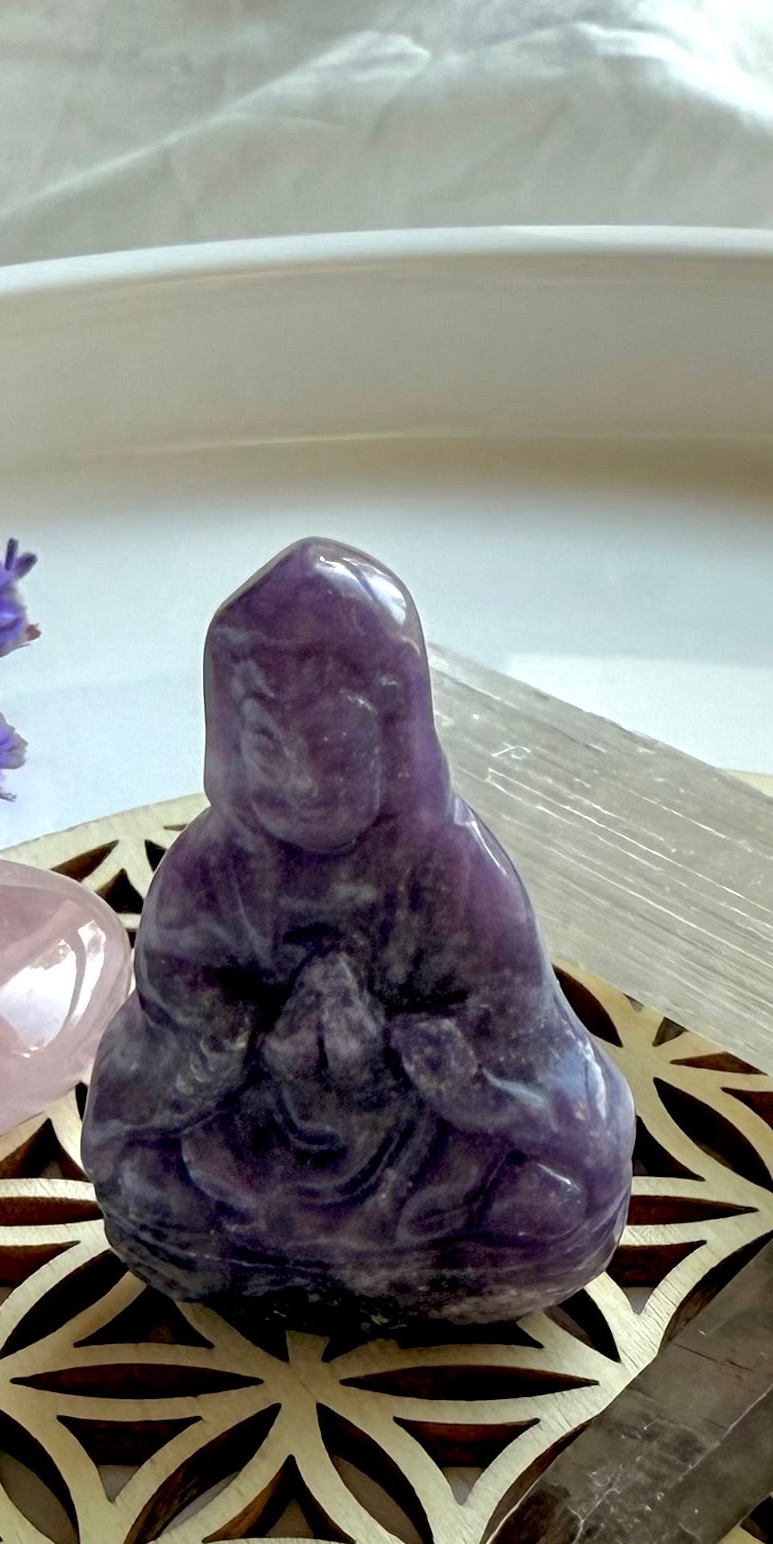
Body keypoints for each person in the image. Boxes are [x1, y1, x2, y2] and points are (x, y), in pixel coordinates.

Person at [83, 535, 634, 1325]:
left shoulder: (457, 870)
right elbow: (161, 1042)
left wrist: (438, 1066)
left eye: (330, 744)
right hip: (254, 1153)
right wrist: (241, 1045)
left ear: (392, 731)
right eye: (270, 746)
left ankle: (391, 1271)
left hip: (427, 1162)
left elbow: (535, 1051)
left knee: (550, 1201)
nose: (301, 782)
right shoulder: (208, 873)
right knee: (146, 1182)